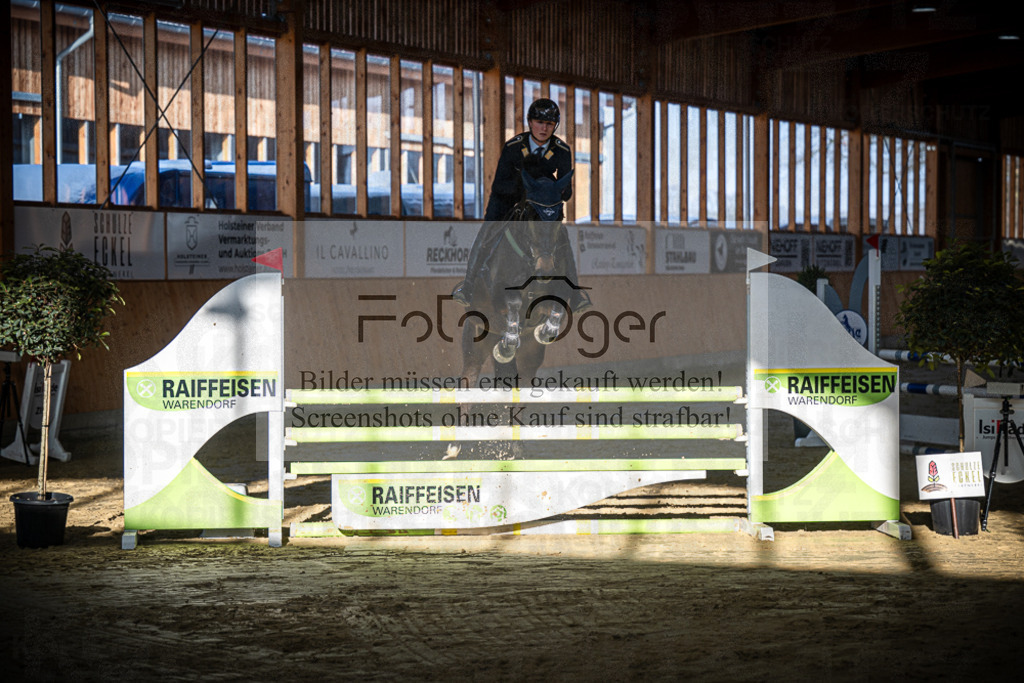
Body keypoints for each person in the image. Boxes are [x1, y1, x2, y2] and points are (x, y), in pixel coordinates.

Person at [452, 98, 590, 311]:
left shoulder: (562, 150)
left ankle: (575, 293)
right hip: (508, 199)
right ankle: (468, 286)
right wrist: (527, 191)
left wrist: (556, 191)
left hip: (541, 205)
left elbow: (567, 192)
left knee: (561, 236)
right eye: (539, 122)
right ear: (530, 123)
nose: (544, 128)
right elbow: (500, 184)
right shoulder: (514, 146)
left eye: (549, 124)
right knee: (487, 232)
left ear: (555, 126)